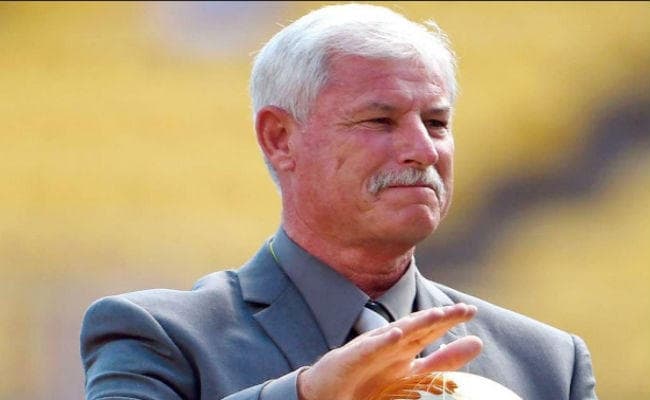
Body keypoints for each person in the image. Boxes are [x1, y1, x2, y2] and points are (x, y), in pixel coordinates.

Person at [80, 4, 597, 400]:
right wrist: (305, 395)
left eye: (437, 122)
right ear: (280, 138)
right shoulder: (159, 335)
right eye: (379, 121)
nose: (423, 150)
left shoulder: (548, 363)